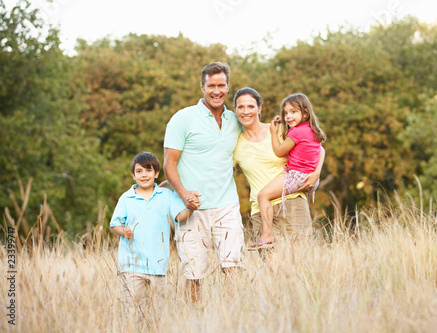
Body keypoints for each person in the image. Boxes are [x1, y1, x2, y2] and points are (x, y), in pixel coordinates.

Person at [163, 62, 245, 302]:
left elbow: (256, 139)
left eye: (221, 85)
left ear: (228, 88)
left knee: (233, 267)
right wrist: (184, 194)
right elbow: (169, 164)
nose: (216, 90)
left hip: (227, 205)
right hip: (192, 209)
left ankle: (232, 318)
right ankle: (195, 320)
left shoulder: (236, 120)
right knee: (195, 275)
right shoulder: (183, 118)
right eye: (211, 85)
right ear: (202, 87)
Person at [232, 88, 325, 250]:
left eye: (251, 107)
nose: (246, 111)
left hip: (292, 204)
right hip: (260, 211)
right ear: (235, 110)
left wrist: (316, 173)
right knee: (271, 271)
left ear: (259, 108)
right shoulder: (235, 144)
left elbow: (318, 148)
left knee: (299, 263)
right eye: (241, 107)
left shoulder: (281, 130)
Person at [110, 152, 193, 319]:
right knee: (132, 311)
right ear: (133, 175)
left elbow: (180, 217)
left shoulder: (166, 196)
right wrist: (124, 231)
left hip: (158, 265)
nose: (144, 174)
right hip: (131, 265)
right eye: (139, 171)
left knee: (158, 313)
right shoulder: (126, 198)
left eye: (148, 170)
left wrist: (191, 207)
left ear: (156, 174)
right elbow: (115, 224)